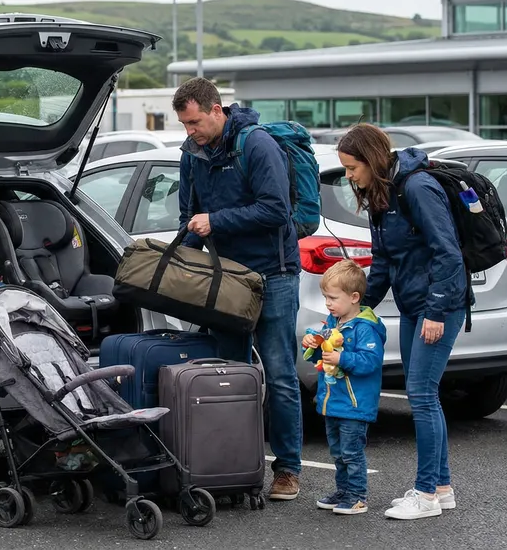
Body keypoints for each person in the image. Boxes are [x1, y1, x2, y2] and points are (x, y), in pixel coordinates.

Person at [173, 77, 303, 502]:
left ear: (216, 110)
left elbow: (276, 210)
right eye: (184, 125)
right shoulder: (191, 154)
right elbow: (190, 217)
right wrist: (169, 265)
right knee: (230, 376)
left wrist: (217, 221)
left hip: (274, 274)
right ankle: (233, 466)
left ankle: (287, 470)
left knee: (280, 375)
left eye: (194, 122)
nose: (190, 132)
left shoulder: (256, 144)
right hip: (225, 277)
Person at [334, 123, 469, 521]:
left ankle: (426, 495)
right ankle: (441, 489)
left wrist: (436, 310)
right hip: (415, 306)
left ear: (372, 160)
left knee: (423, 396)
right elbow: (384, 262)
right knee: (424, 396)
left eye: (351, 167)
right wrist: (357, 311)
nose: (348, 176)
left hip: (435, 307)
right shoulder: (383, 195)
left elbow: (448, 253)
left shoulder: (416, 189)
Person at [302, 259, 386, 515]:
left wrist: (343, 358)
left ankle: (357, 495)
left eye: (332, 298)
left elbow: (371, 361)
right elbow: (323, 355)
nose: (328, 303)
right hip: (334, 400)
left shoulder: (366, 328)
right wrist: (312, 344)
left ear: (354, 297)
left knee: (351, 452)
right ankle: (343, 491)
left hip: (355, 403)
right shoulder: (333, 322)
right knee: (338, 452)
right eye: (326, 297)